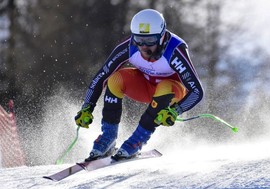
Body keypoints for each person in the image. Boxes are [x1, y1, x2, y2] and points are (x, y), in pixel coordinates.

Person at [75, 9, 204, 161]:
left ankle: (138, 139)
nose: (143, 46)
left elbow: (197, 91)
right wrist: (87, 107)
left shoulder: (175, 50)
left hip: (172, 93)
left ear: (162, 36)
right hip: (145, 86)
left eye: (149, 41)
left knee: (165, 85)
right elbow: (101, 76)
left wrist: (176, 110)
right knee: (114, 79)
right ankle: (108, 137)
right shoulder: (129, 47)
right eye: (138, 39)